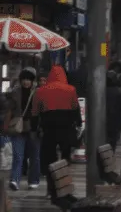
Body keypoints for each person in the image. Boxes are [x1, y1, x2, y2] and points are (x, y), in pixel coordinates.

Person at [33, 65, 81, 202]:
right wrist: (78, 124)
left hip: (48, 130)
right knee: (65, 159)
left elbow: (35, 113)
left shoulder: (40, 92)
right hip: (66, 130)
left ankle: (51, 188)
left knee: (49, 160)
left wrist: (35, 128)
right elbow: (75, 110)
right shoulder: (71, 90)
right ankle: (64, 188)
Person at [6, 67, 40, 190]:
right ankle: (15, 180)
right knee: (18, 156)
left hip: (33, 128)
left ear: (32, 81)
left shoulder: (38, 92)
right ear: (20, 80)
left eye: (28, 79)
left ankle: (34, 180)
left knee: (35, 156)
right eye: (24, 79)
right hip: (18, 128)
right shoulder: (15, 92)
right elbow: (9, 109)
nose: (26, 82)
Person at [105, 72, 121, 150]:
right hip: (115, 120)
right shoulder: (119, 92)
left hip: (103, 120)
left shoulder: (101, 91)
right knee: (113, 141)